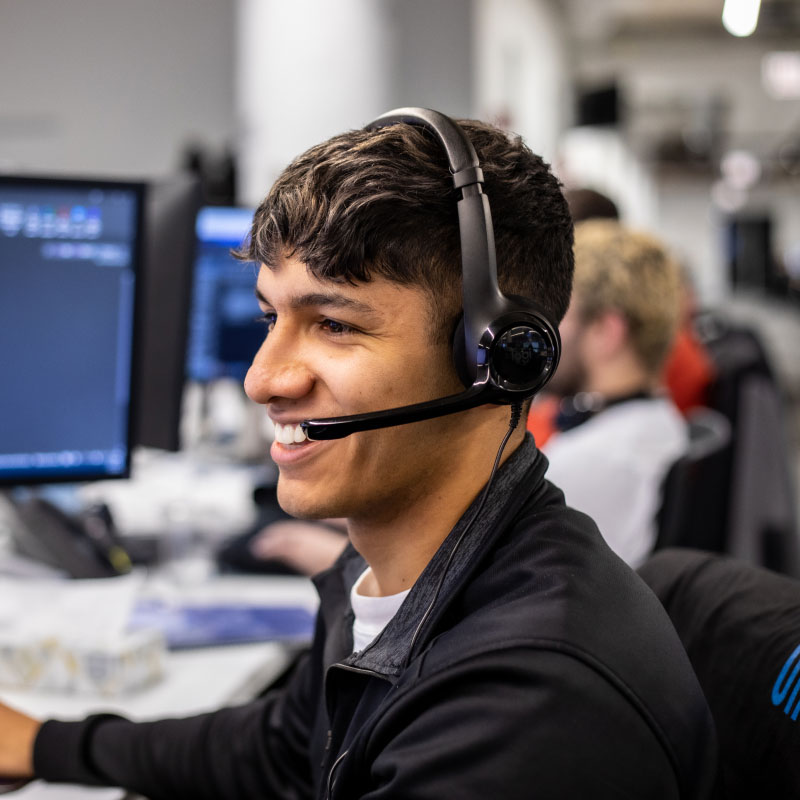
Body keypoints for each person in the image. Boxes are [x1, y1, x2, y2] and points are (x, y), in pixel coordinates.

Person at [0, 111, 715, 798]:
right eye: (271, 317)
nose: (262, 379)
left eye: (334, 325)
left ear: (499, 359)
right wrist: (48, 744)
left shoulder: (525, 705)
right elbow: (285, 753)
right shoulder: (392, 566)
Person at [541, 219, 688, 567]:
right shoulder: (659, 424)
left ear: (607, 331)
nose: (546, 328)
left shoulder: (585, 465)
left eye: (559, 312)